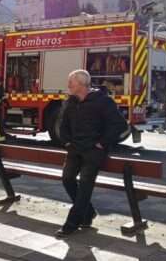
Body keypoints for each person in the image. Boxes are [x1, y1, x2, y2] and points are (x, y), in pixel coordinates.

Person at [55, 69, 128, 237]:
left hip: (93, 153)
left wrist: (102, 143)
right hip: (74, 150)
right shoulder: (70, 102)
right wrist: (66, 142)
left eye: (71, 83)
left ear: (81, 85)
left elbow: (120, 125)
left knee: (85, 186)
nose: (68, 86)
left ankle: (72, 223)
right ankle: (87, 213)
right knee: (67, 179)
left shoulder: (103, 102)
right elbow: (62, 124)